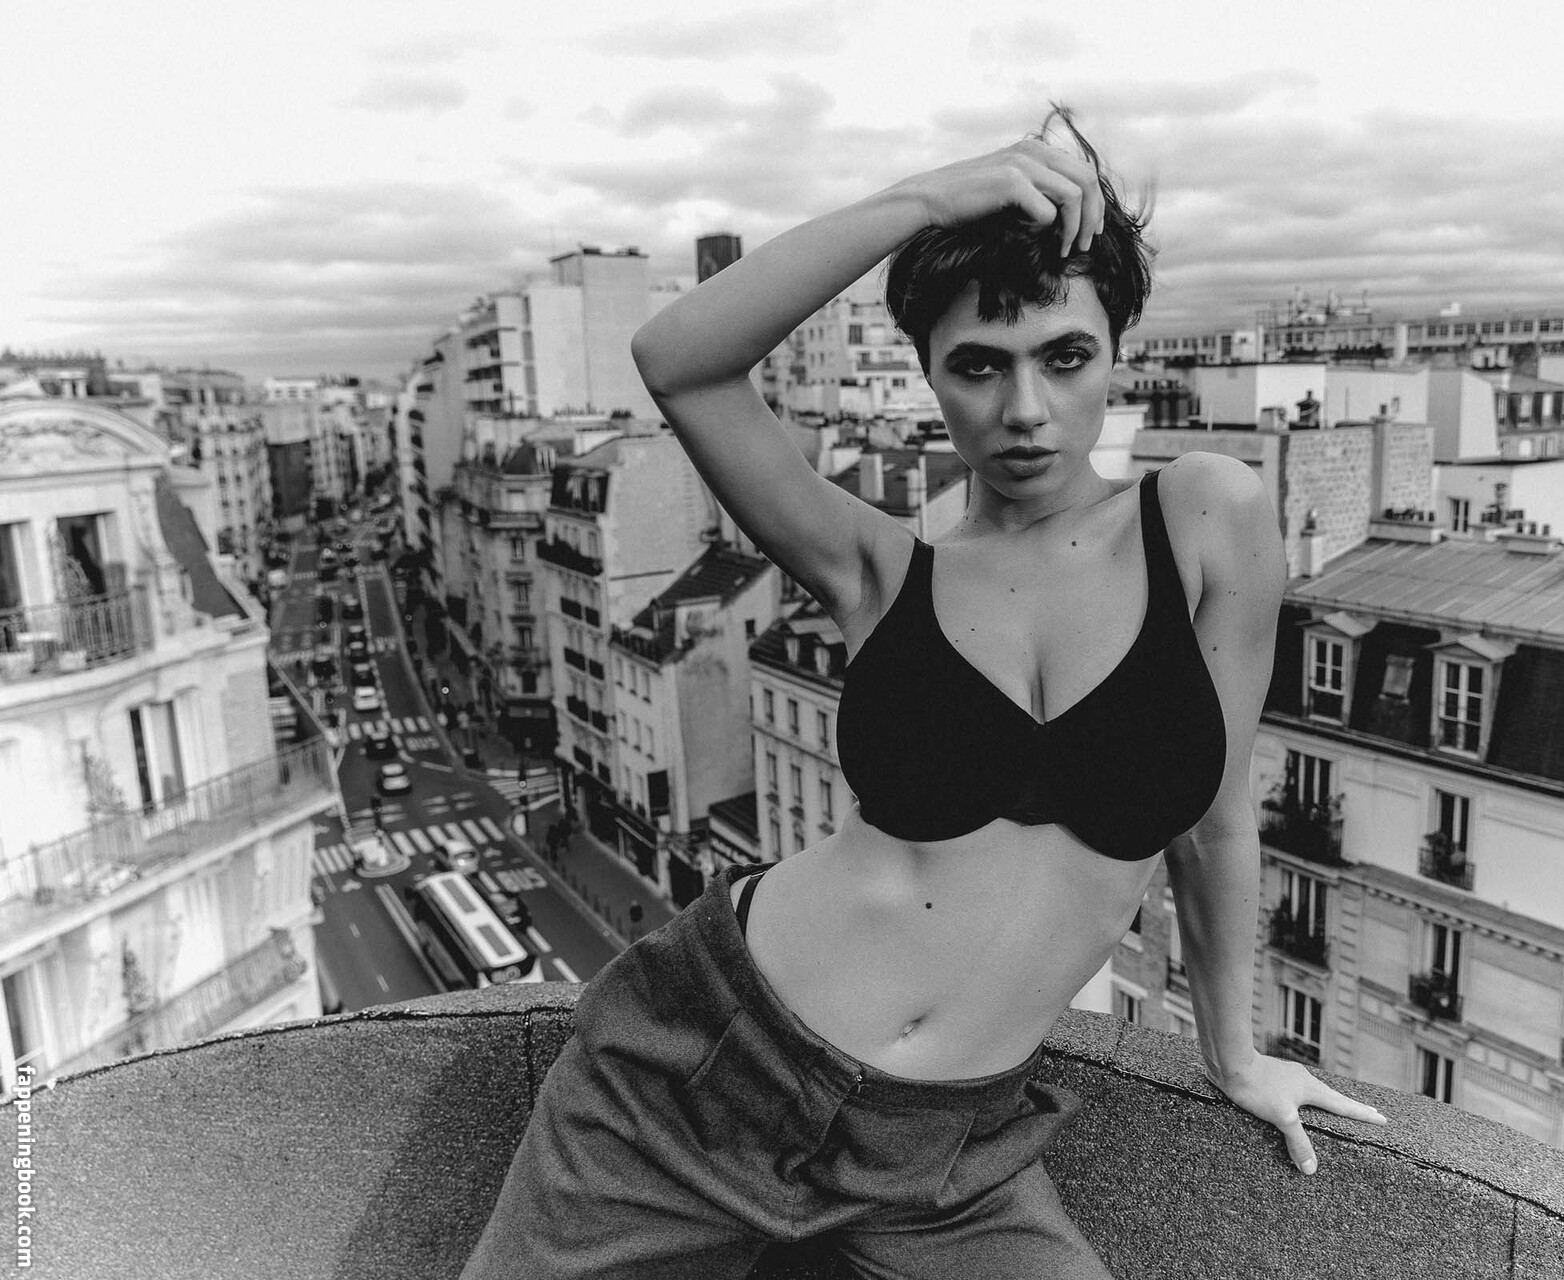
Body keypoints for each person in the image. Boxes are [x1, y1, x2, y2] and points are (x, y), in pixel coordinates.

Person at [460, 109, 1386, 1280]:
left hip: (945, 1157)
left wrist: (1234, 1053)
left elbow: (1213, 819)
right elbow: (680, 358)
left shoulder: (1204, 514)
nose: (1025, 409)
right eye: (978, 364)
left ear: (1119, 351)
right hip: (695, 1077)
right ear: (929, 374)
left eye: (1065, 355)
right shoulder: (886, 569)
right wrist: (925, 200)